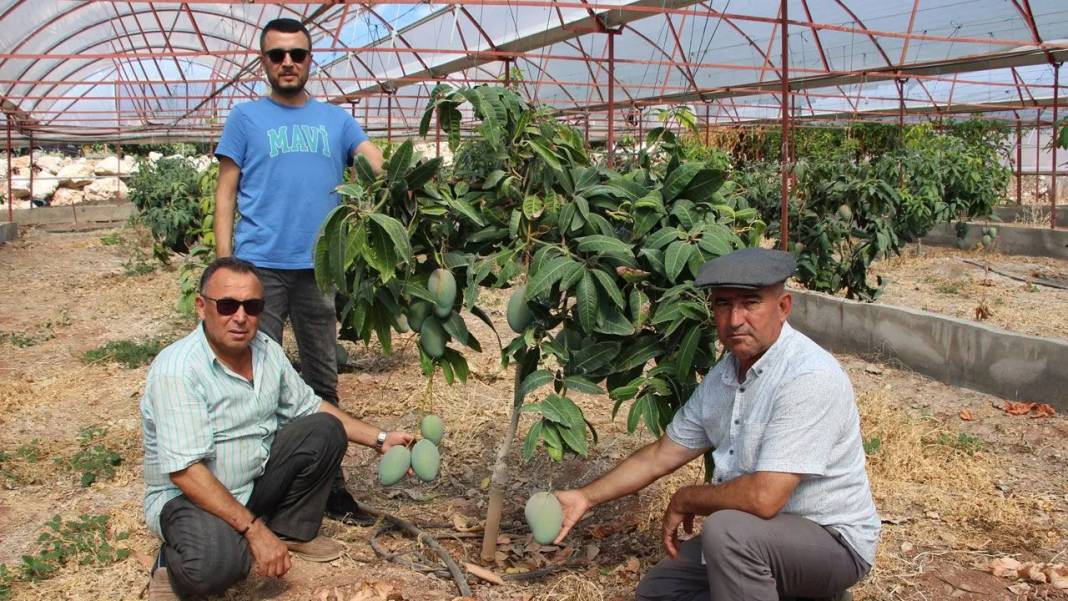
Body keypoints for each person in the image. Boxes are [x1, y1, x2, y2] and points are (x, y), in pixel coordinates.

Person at [553, 247, 880, 601]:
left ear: (783, 307)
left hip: (831, 540)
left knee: (728, 532)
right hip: (761, 537)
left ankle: (818, 589)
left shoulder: (808, 376)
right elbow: (660, 455)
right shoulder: (723, 377)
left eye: (750, 303)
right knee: (661, 591)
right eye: (723, 304)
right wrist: (584, 497)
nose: (735, 319)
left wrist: (686, 498)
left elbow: (764, 497)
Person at [141, 257, 412, 600]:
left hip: (249, 484)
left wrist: (381, 439)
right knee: (218, 568)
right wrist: (253, 531)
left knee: (324, 429)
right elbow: (186, 473)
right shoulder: (178, 370)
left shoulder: (267, 352)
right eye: (227, 306)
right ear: (201, 306)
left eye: (252, 306)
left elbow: (310, 406)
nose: (240, 317)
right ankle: (172, 562)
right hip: (190, 499)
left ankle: (287, 532)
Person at [213, 17, 386, 526]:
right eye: (277, 55)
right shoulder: (246, 118)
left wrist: (411, 187)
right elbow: (226, 191)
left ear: (311, 60)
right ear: (263, 61)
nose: (288, 62)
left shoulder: (336, 120)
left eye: (298, 54)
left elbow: (373, 159)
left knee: (321, 381)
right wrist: (225, 265)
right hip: (258, 270)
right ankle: (255, 492)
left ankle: (331, 489)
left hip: (319, 270)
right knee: (251, 380)